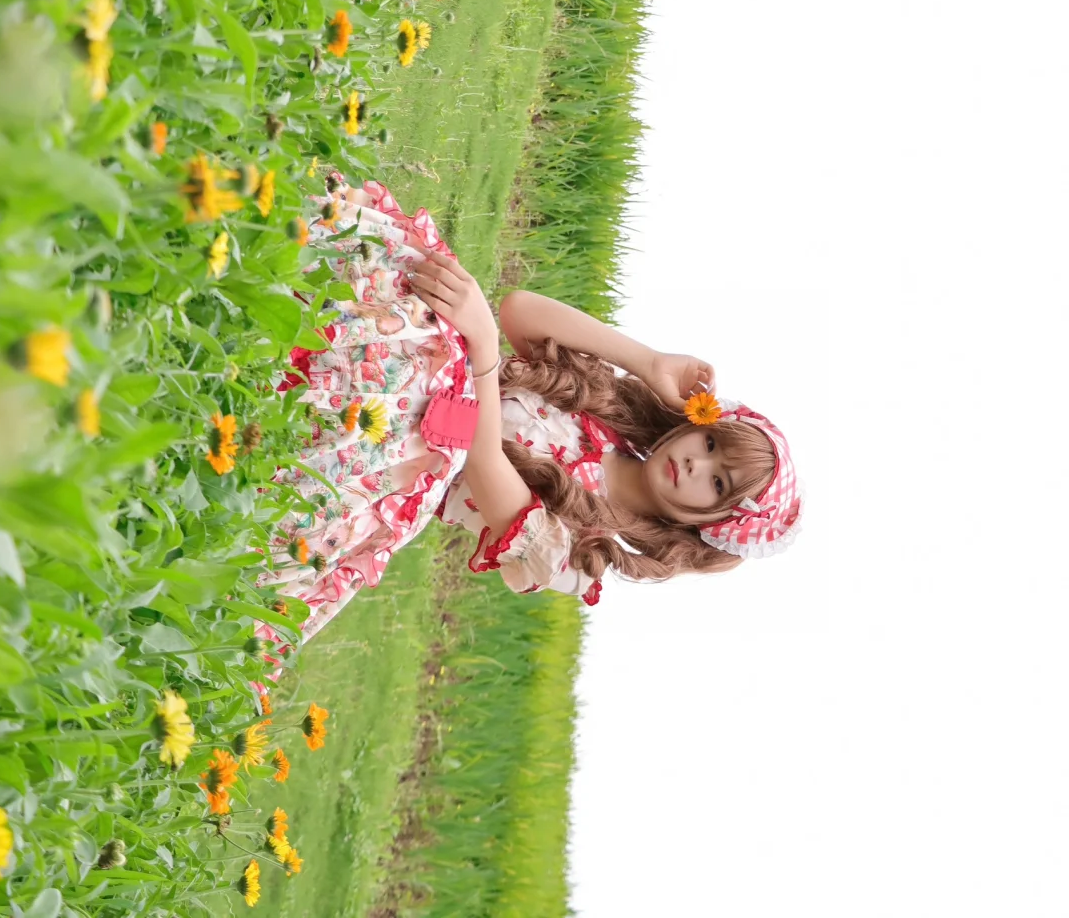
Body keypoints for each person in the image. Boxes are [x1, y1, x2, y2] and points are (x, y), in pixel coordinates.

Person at [255, 176, 801, 669]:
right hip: (434, 370)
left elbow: (485, 460)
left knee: (304, 433)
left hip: (413, 460)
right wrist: (649, 362)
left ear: (712, 525)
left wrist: (483, 346)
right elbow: (522, 310)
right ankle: (255, 256)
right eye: (709, 441)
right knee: (414, 293)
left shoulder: (584, 555)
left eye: (718, 482)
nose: (695, 461)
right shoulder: (608, 421)